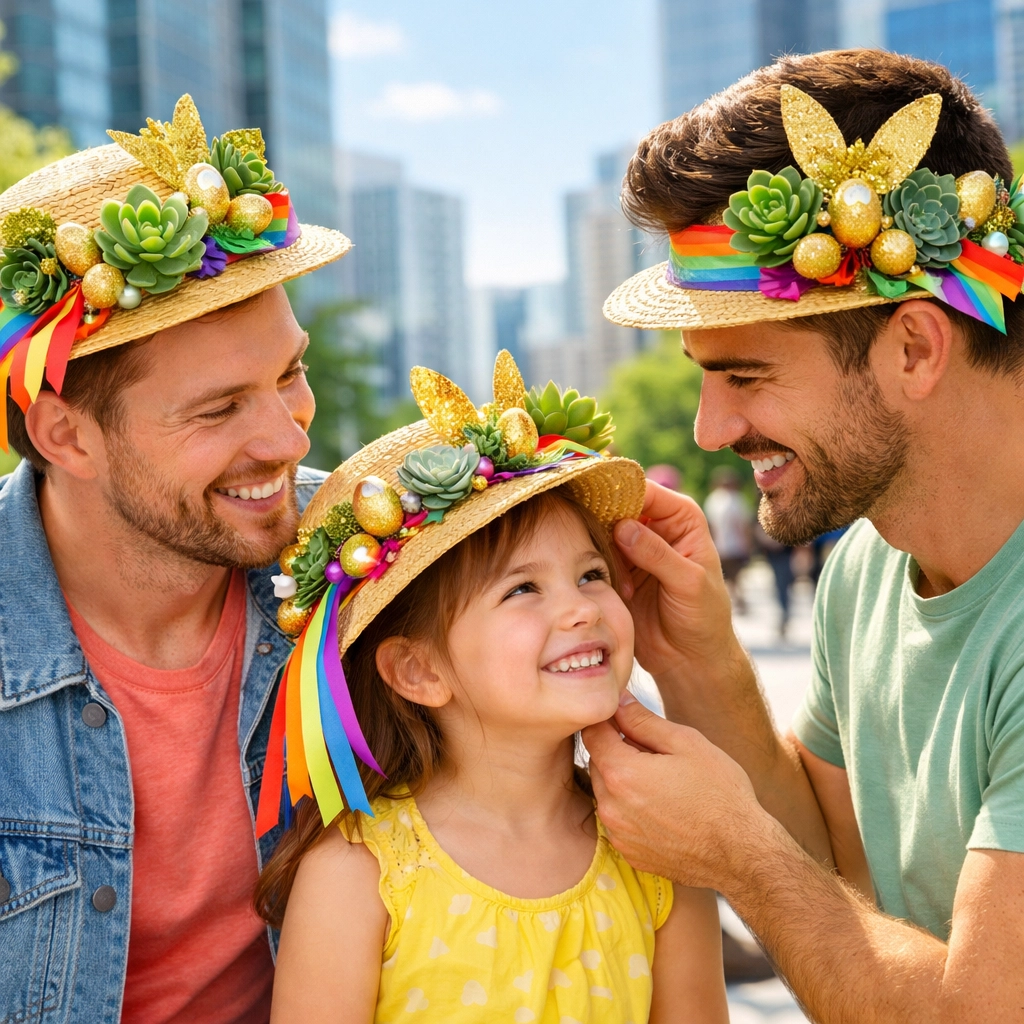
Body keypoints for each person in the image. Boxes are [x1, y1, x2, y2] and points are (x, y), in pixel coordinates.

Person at [591, 50, 1024, 1022]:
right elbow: (836, 873)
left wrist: (733, 853)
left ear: (913, 347)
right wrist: (695, 655)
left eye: (743, 376)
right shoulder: (870, 562)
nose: (709, 430)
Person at [0, 95, 351, 1023]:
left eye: (289, 373)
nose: (286, 438)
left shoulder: (368, 556)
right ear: (65, 435)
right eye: (218, 408)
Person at [252, 357, 728, 1023]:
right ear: (420, 671)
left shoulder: (660, 848)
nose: (581, 609)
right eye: (523, 588)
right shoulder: (362, 873)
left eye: (592, 574)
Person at [702, 464, 752, 613]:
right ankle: (738, 600)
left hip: (719, 545)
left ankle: (730, 600)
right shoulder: (737, 499)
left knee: (724, 575)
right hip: (735, 545)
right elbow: (742, 525)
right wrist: (748, 544)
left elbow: (709, 525)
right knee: (736, 576)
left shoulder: (712, 500)